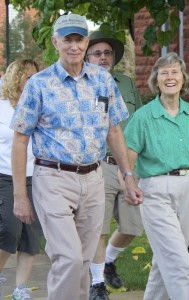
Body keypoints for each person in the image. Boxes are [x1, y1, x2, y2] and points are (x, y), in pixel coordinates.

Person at [10, 14, 143, 300]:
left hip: (94, 178)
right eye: (67, 39)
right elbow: (20, 140)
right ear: (56, 42)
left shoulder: (103, 80)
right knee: (68, 257)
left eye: (79, 39)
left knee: (83, 260)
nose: (74, 45)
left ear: (86, 42)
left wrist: (128, 177)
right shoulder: (39, 84)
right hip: (53, 178)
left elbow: (114, 131)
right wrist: (20, 196)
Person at [124, 52, 189, 300]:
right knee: (179, 264)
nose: (170, 77)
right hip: (156, 191)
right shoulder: (143, 117)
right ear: (156, 80)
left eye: (174, 72)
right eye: (164, 73)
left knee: (166, 260)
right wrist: (129, 183)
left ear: (183, 78)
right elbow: (128, 159)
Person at [85, 31, 144, 300]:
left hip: (130, 166)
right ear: (87, 57)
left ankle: (107, 261)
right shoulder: (80, 84)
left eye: (107, 53)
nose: (103, 57)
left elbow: (141, 121)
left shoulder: (126, 83)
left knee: (132, 226)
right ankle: (97, 283)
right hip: (98, 165)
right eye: (97, 53)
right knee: (99, 227)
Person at [0, 59, 42, 300]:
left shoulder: (39, 106)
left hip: (36, 177)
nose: (33, 81)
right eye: (28, 77)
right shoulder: (1, 106)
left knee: (31, 235)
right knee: (9, 230)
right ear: (16, 79)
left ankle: (20, 289)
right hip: (4, 176)